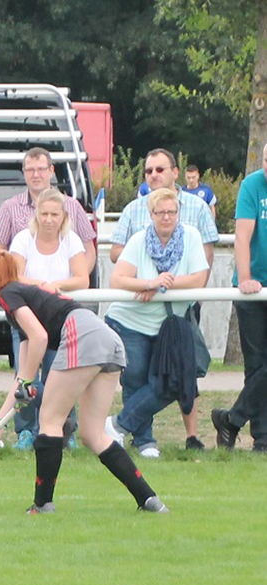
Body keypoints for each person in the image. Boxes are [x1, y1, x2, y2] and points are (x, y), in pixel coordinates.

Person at [0, 249, 168, 514]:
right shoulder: (22, 298)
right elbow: (22, 374)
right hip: (107, 339)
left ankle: (42, 504)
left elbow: (40, 338)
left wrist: (28, 381)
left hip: (82, 334)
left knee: (50, 419)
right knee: (92, 434)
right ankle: (149, 500)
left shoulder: (9, 294)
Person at [109, 148, 218, 447]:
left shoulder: (191, 235)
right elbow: (118, 278)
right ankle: (144, 442)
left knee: (173, 381)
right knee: (135, 379)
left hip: (171, 322)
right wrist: (148, 282)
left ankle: (117, 425)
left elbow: (198, 277)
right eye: (161, 213)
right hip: (131, 320)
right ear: (151, 215)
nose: (167, 217)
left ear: (178, 212)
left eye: (171, 212)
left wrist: (162, 286)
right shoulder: (138, 239)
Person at [7, 188, 89, 450]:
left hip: (60, 321)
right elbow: (15, 276)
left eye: (54, 214)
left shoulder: (71, 240)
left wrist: (57, 285)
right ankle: (25, 431)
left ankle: (65, 429)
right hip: (26, 317)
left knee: (61, 377)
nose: (49, 219)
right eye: (44, 214)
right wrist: (42, 285)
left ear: (63, 216)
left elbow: (82, 279)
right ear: (36, 215)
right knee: (26, 377)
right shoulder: (22, 239)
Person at [212, 142, 267, 452]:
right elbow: (243, 236)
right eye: (266, 160)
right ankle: (262, 438)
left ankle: (231, 420)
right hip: (254, 288)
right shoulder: (252, 185)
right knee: (256, 364)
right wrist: (245, 279)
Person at [0, 147, 98, 274]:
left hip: (66, 286)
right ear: (23, 172)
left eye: (41, 169)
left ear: (51, 170)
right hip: (23, 285)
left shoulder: (73, 206)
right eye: (30, 170)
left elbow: (89, 251)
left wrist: (78, 278)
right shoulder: (9, 208)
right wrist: (13, 280)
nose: (35, 175)